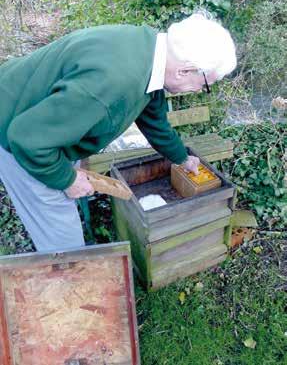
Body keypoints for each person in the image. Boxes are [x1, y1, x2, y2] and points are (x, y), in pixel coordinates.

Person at [0, 13, 237, 252]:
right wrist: (67, 179)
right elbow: (27, 140)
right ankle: (71, 278)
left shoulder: (150, 52)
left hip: (41, 121)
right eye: (205, 84)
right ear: (184, 71)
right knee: (59, 227)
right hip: (16, 130)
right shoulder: (111, 83)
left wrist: (181, 157)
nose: (198, 91)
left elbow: (154, 118)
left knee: (62, 195)